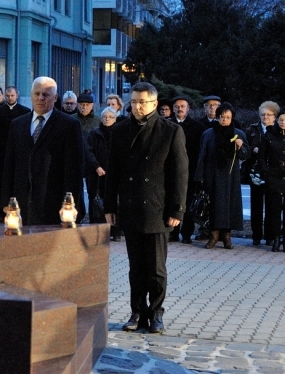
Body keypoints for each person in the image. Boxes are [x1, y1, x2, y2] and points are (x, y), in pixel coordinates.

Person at [105, 82, 188, 334]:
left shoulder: (170, 131)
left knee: (156, 269)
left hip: (157, 208)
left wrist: (177, 209)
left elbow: (179, 173)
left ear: (154, 104)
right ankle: (137, 311)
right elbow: (113, 172)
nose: (137, 107)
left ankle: (156, 313)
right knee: (136, 268)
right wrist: (110, 205)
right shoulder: (120, 130)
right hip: (130, 206)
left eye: (142, 102)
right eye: (133, 102)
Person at [1, 77, 84, 223]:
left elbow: (74, 170)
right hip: (21, 205)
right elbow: (9, 165)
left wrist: (70, 205)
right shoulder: (17, 124)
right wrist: (5, 202)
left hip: (53, 205)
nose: (40, 98)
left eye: (45, 94)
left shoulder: (69, 125)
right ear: (31, 95)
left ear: (55, 97)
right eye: (37, 93)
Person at [194, 102, 249, 250]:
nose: (224, 120)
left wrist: (240, 146)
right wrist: (199, 177)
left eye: (228, 117)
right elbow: (202, 156)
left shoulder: (239, 133)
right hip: (212, 176)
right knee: (213, 207)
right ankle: (213, 235)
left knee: (229, 207)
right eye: (222, 117)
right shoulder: (208, 133)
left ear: (232, 118)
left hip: (231, 177)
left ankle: (227, 237)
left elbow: (246, 155)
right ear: (217, 117)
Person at [169, 96, 207, 243]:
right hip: (171, 170)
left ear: (188, 108)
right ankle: (173, 233)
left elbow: (201, 151)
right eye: (177, 106)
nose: (180, 109)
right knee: (172, 200)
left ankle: (186, 234)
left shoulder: (198, 127)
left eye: (182, 106)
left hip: (190, 170)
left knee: (189, 201)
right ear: (173, 109)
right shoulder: (167, 124)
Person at [244, 101, 280, 246]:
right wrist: (253, 149)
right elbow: (245, 147)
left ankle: (270, 236)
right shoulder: (252, 130)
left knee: (272, 206)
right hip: (255, 172)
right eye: (263, 114)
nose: (265, 117)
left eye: (269, 115)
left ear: (275, 116)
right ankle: (256, 236)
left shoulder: (278, 130)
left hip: (273, 172)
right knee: (256, 205)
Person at [0, 86, 30, 206]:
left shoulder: (25, 111)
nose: (10, 98)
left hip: (19, 150)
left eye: (12, 95)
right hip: (2, 150)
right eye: (7, 96)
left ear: (17, 95)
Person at [86, 107, 120, 240]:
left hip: (114, 173)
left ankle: (115, 231)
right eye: (104, 116)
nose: (107, 119)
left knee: (115, 202)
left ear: (115, 119)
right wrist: (97, 167)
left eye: (110, 117)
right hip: (97, 174)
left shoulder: (119, 132)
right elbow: (88, 151)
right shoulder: (94, 133)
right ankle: (98, 231)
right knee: (96, 202)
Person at [258, 109, 285, 251]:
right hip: (273, 177)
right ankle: (275, 238)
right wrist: (266, 171)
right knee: (274, 210)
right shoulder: (269, 135)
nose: (283, 122)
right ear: (277, 120)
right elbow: (262, 156)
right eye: (281, 120)